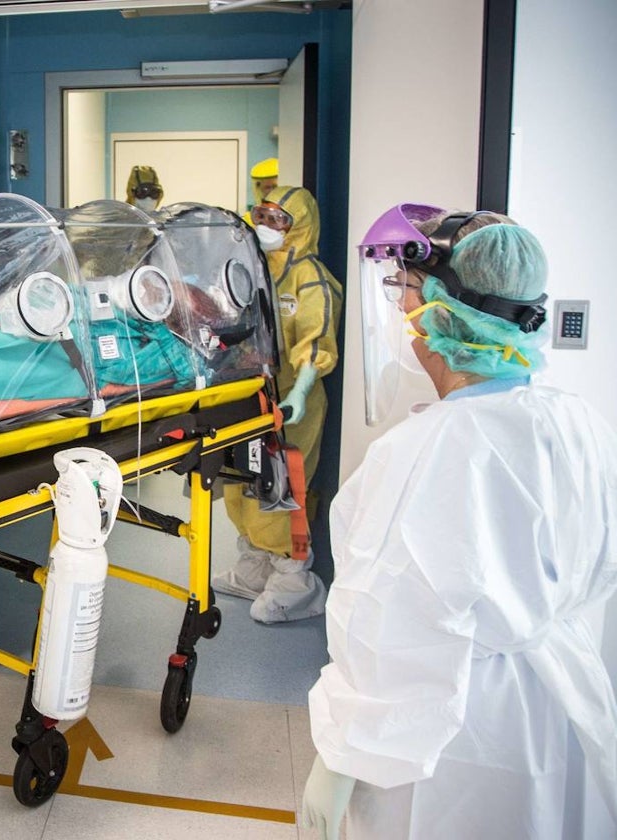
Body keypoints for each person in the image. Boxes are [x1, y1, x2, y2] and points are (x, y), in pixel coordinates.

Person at [302, 205, 617, 838]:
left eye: (408, 290)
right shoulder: (575, 420)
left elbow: (385, 625)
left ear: (446, 310)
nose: (400, 308)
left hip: (450, 738)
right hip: (561, 703)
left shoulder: (423, 450)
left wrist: (342, 754)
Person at [214, 186, 342, 623]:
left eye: (278, 220)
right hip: (246, 395)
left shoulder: (312, 278)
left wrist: (300, 392)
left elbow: (315, 341)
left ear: (300, 226)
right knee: (243, 481)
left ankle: (295, 579)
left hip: (288, 403)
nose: (266, 227)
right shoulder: (249, 267)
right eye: (261, 216)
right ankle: (254, 565)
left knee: (285, 487)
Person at [242, 157, 279, 225]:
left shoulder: (296, 214)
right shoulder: (250, 219)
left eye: (275, 187)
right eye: (267, 187)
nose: (272, 192)